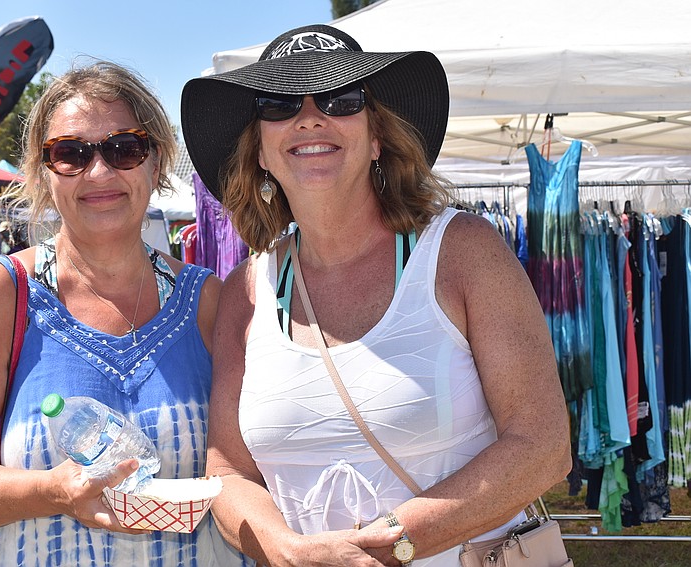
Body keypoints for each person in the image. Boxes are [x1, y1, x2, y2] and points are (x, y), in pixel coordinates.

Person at [181, 24, 571, 566]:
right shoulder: (245, 291)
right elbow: (227, 472)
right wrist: (291, 553)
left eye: (342, 98)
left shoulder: (462, 253)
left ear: (377, 137)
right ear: (262, 153)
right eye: (280, 103)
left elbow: (543, 447)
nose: (310, 116)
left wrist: (385, 546)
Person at [0, 61, 252, 566]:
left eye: (125, 148)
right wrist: (54, 490)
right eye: (71, 153)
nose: (100, 172)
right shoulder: (1, 293)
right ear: (42, 171)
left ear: (156, 162)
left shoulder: (209, 301)